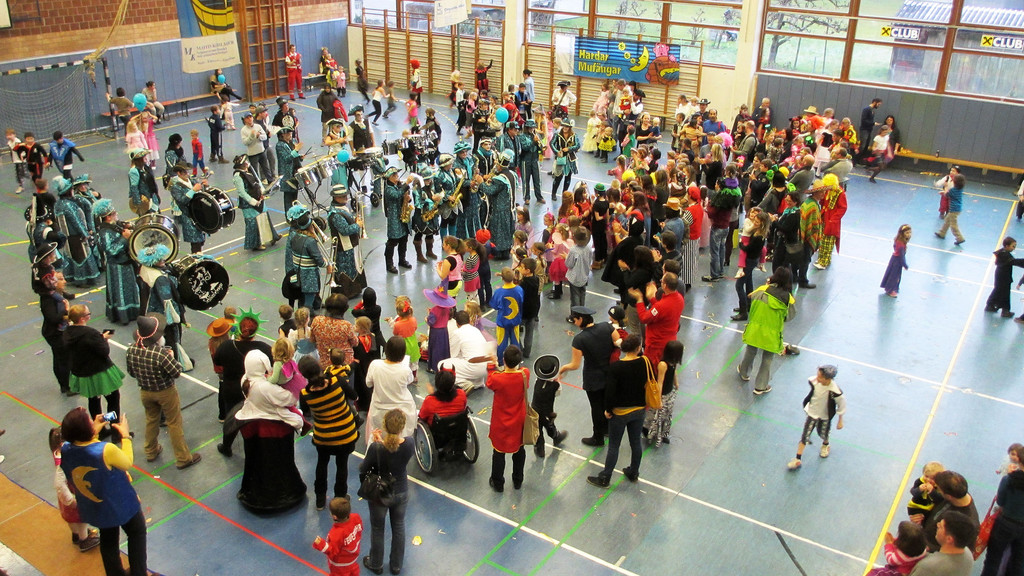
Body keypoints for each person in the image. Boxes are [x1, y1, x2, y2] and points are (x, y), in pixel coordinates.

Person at [58, 407, 147, 576]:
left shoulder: (66, 449)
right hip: (120, 502)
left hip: (96, 505)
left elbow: (84, 449)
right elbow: (126, 462)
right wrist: (125, 437)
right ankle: (138, 573)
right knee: (136, 532)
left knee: (108, 540)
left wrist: (93, 432)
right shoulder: (106, 450)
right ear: (86, 429)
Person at [234, 349, 308, 512]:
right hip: (274, 428)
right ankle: (280, 495)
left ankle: (256, 489)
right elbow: (289, 399)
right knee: (278, 462)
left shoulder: (245, 380)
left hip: (253, 426)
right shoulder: (265, 386)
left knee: (257, 461)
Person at [126, 314, 202, 469]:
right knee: (174, 423)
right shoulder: (160, 354)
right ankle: (183, 458)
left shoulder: (131, 350)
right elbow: (176, 372)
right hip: (165, 392)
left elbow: (131, 372)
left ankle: (151, 451)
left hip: (145, 391)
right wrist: (172, 358)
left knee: (151, 420)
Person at [298, 356, 359, 511]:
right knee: (342, 465)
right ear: (319, 367)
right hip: (345, 434)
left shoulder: (304, 393)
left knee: (322, 464)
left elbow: (306, 413)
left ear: (304, 375)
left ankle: (320, 500)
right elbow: (354, 396)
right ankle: (340, 497)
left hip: (323, 437)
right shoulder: (337, 381)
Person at [586, 334, 647, 488]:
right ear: (638, 348)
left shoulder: (616, 367)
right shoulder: (645, 362)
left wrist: (608, 409)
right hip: (639, 409)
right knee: (635, 442)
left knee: (614, 445)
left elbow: (610, 392)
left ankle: (605, 477)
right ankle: (634, 472)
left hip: (620, 412)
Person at [360, 408, 414, 575]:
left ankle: (376, 563)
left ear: (384, 426)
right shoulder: (410, 443)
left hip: (380, 494)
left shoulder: (376, 448)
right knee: (399, 526)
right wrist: (381, 444)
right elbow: (394, 450)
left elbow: (363, 468)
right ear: (402, 427)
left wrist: (377, 443)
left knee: (377, 528)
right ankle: (396, 565)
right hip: (401, 491)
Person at [214, 308, 273, 453]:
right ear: (255, 332)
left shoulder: (226, 346)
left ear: (239, 329)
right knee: (256, 420)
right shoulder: (263, 348)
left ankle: (226, 446)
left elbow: (217, 362)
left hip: (231, 390)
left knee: (231, 420)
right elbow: (272, 365)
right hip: (253, 391)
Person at [559, 306, 615, 446]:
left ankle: (598, 437)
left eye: (575, 320)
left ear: (580, 319)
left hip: (593, 378)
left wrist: (564, 368)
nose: (574, 323)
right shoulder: (606, 327)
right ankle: (607, 429)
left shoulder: (579, 339)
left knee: (596, 407)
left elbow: (575, 364)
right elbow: (618, 342)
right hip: (609, 373)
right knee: (606, 403)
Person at [64, 305, 124, 430]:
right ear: (82, 318)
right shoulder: (90, 333)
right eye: (88, 314)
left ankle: (99, 428)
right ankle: (114, 427)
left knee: (94, 401)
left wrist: (99, 338)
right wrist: (104, 340)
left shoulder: (68, 333)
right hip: (99, 373)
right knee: (113, 400)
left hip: (83, 374)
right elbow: (104, 351)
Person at [737, 267, 796, 394]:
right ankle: (760, 386)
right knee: (767, 359)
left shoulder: (762, 289)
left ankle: (744, 372)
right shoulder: (788, 298)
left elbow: (750, 297)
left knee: (750, 351)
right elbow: (789, 317)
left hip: (755, 328)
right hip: (772, 333)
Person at [47, 427, 101, 552]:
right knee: (81, 518)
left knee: (71, 518)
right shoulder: (63, 463)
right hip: (72, 495)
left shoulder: (59, 455)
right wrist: (71, 500)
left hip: (66, 496)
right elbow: (59, 484)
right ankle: (84, 539)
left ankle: (76, 534)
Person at [485, 346, 529, 493]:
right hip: (519, 421)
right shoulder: (525, 374)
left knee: (498, 453)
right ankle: (518, 480)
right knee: (519, 450)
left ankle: (498, 483)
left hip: (501, 422)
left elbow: (490, 381)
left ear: (504, 360)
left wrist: (492, 364)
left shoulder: (498, 378)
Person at [786, 364, 846, 470]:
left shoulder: (835, 391)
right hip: (812, 413)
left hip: (825, 416)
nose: (817, 378)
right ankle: (797, 458)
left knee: (823, 433)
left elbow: (841, 405)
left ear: (828, 379)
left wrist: (840, 420)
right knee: (805, 435)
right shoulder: (814, 382)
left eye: (820, 377)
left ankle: (825, 444)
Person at [979, 444, 1024, 576]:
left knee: (993, 560)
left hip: (1005, 523)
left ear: (1019, 460)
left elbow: (1000, 501)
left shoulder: (1008, 479)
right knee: (1018, 562)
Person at [366, 336, 417, 439]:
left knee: (380, 434)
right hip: (402, 408)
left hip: (379, 408)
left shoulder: (375, 365)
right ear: (402, 354)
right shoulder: (405, 369)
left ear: (386, 350)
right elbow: (410, 380)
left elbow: (368, 383)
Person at [630, 272, 684, 366]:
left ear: (665, 285)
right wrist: (652, 299)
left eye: (662, 281)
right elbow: (663, 311)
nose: (660, 281)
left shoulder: (661, 306)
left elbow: (644, 318)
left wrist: (639, 300)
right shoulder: (679, 299)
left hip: (656, 345)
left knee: (652, 368)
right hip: (670, 340)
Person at [285, 202, 333, 310]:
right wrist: (327, 264)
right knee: (307, 294)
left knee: (305, 290)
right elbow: (318, 259)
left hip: (298, 268)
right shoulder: (308, 240)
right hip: (307, 272)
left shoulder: (295, 235)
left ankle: (315, 303)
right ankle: (307, 311)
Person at [439, 310, 493, 393]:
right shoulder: (475, 330)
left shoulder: (457, 333)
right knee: (469, 357)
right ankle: (477, 383)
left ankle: (464, 384)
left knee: (442, 364)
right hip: (487, 368)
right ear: (469, 320)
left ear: (456, 323)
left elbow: (453, 355)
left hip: (475, 368)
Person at [643, 340, 684, 448]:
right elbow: (660, 382)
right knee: (656, 415)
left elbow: (674, 372)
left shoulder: (673, 362)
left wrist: (676, 382)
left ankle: (662, 433)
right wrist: (658, 398)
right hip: (662, 394)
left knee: (666, 414)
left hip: (669, 392)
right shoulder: (663, 364)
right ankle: (648, 431)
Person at [910, 511, 977, 576]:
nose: (937, 524)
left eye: (941, 526)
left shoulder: (927, 567)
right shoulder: (967, 554)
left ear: (949, 539)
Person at [40, 267, 73, 396]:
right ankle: (66, 386)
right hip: (54, 333)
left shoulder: (57, 295)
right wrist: (66, 311)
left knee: (60, 358)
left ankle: (64, 384)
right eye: (60, 279)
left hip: (56, 332)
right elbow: (53, 318)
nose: (64, 281)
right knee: (63, 360)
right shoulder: (48, 299)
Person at [312, 496, 363, 575]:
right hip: (353, 558)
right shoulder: (356, 517)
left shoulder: (336, 533)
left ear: (334, 517)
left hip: (340, 565)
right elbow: (360, 529)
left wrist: (320, 544)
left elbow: (332, 552)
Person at [311, 294, 360, 369]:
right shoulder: (346, 325)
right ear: (345, 309)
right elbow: (355, 343)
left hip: (325, 364)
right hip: (344, 365)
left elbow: (312, 339)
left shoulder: (317, 321)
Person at [984, 237, 1024, 318]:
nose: (1014, 248)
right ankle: (1005, 311)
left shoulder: (1002, 252)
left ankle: (990, 305)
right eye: (1013, 246)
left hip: (1001, 275)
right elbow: (1014, 262)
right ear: (1007, 246)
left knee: (998, 291)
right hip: (1003, 277)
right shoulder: (1005, 255)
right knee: (1005, 293)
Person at [490, 267, 523, 364]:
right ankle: (516, 362)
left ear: (502, 278)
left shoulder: (499, 292)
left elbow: (494, 305)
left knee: (501, 344)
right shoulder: (519, 289)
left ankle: (501, 363)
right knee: (515, 342)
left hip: (502, 322)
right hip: (515, 321)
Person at [550, 119, 580, 200]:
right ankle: (553, 193)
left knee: (568, 177)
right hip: (561, 158)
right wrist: (556, 152)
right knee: (558, 177)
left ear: (570, 127)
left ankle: (565, 194)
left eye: (567, 126)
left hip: (570, 159)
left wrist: (569, 149)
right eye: (564, 126)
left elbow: (578, 145)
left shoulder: (574, 135)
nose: (565, 128)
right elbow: (551, 143)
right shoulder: (557, 134)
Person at [934, 173, 967, 247]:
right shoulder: (960, 189)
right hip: (957, 209)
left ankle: (960, 238)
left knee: (953, 225)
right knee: (947, 221)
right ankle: (942, 233)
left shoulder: (953, 190)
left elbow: (947, 195)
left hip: (953, 210)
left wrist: (945, 187)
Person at [881, 224, 912, 298]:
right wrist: (905, 265)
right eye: (907, 233)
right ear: (902, 233)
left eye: (910, 232)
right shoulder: (901, 245)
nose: (909, 234)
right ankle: (890, 290)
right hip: (897, 262)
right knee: (894, 276)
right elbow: (902, 257)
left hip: (894, 259)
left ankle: (890, 287)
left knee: (892, 274)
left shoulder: (898, 240)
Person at [858, 98, 883, 163]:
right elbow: (863, 120)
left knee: (866, 145)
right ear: (874, 102)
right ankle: (857, 159)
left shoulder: (872, 110)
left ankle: (862, 159)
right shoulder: (867, 109)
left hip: (869, 130)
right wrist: (873, 123)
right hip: (864, 130)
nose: (878, 106)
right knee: (863, 145)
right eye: (878, 104)